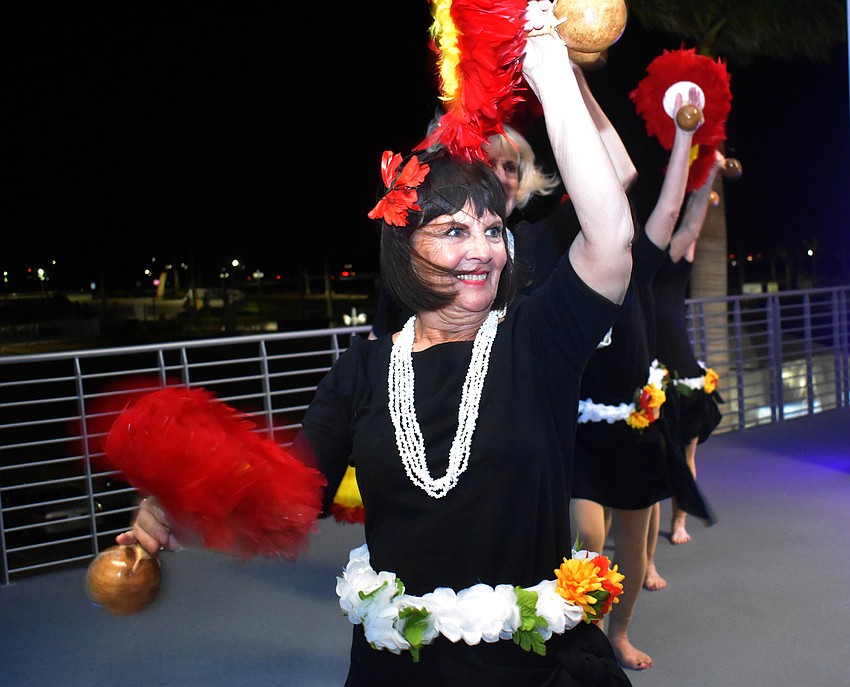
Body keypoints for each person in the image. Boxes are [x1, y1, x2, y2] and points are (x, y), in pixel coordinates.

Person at [115, 28, 636, 685]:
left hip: (528, 668)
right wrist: (186, 499)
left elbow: (612, 237)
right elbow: (284, 501)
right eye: (452, 230)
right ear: (405, 246)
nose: (481, 249)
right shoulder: (360, 372)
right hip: (396, 670)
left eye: (491, 229)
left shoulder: (537, 341)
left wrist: (544, 55)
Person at [570, 86, 714, 671]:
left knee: (633, 548)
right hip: (582, 433)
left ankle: (619, 634)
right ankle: (586, 638)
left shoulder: (642, 266)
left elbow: (671, 210)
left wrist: (684, 136)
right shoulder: (571, 269)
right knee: (587, 543)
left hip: (636, 428)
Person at [650, 152, 725, 551]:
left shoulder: (673, 259)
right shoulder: (638, 266)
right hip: (648, 373)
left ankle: (680, 521)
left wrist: (710, 172)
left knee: (686, 453)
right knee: (654, 462)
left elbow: (692, 223)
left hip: (682, 368)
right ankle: (649, 549)